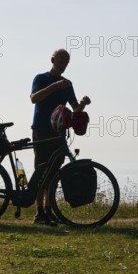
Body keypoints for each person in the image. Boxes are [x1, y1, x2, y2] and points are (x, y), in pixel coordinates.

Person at [30, 48, 91, 226]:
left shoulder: (67, 84)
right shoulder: (41, 78)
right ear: (52, 60)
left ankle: (49, 211)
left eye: (66, 63)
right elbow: (34, 98)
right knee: (41, 169)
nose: (63, 65)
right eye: (60, 61)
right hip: (41, 128)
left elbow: (75, 110)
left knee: (54, 171)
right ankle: (39, 212)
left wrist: (83, 103)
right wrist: (55, 86)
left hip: (59, 131)